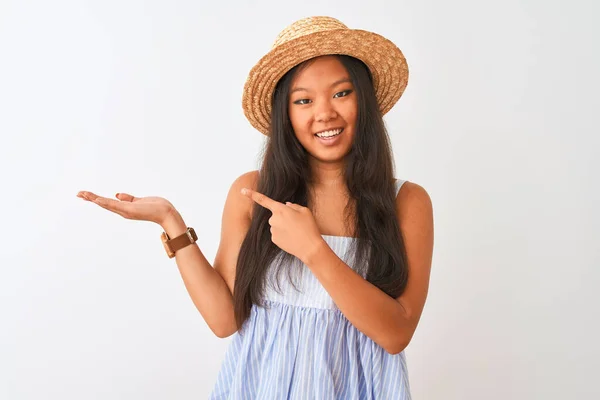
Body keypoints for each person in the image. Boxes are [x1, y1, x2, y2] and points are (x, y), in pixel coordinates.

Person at [77, 16, 433, 399]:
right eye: (303, 100)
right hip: (262, 385)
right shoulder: (253, 192)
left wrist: (313, 250)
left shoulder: (407, 201)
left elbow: (396, 334)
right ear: (286, 114)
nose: (325, 113)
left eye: (342, 93)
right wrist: (171, 221)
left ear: (365, 99)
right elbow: (224, 320)